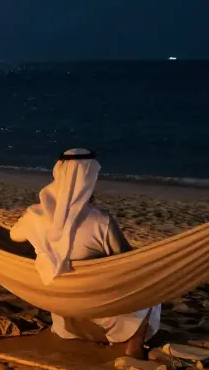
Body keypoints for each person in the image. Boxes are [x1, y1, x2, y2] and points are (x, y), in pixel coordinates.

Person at [9, 149, 161, 359]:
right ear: (89, 179)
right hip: (104, 315)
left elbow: (13, 236)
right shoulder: (101, 222)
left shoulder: (34, 215)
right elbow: (127, 261)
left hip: (65, 319)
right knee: (151, 281)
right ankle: (134, 347)